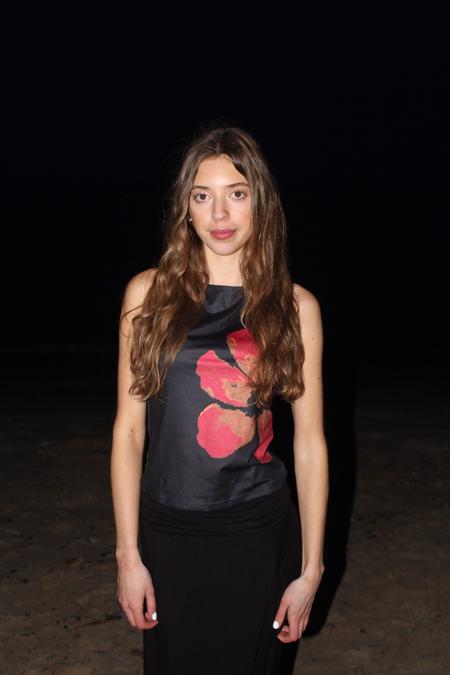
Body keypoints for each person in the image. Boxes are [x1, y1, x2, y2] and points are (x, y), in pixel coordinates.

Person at [110, 121, 329, 675]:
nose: (220, 214)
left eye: (237, 194)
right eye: (202, 196)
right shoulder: (147, 295)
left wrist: (312, 569)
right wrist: (128, 554)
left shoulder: (295, 307)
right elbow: (129, 431)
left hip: (255, 531)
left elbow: (309, 443)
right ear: (185, 208)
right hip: (167, 531)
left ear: (261, 203)